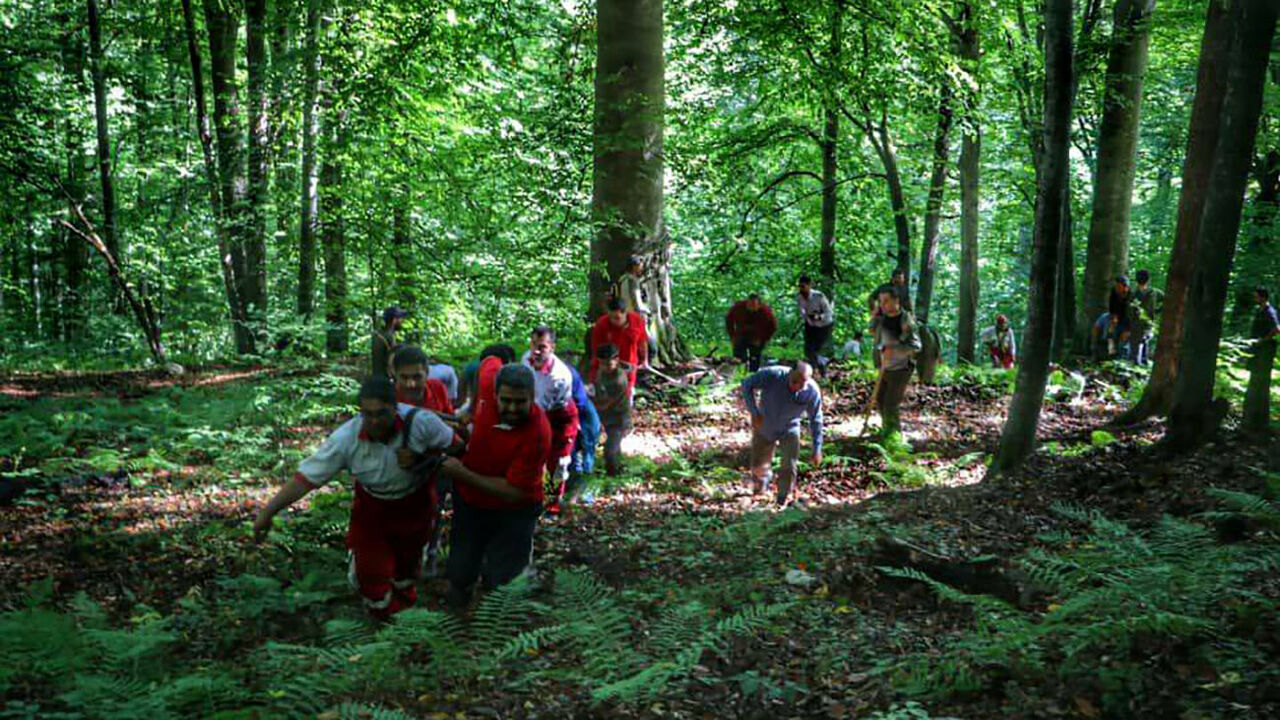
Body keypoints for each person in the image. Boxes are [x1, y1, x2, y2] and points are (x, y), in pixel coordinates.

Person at [252, 376, 459, 619]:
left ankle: (406, 618)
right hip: (372, 511)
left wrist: (423, 459)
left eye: (381, 413)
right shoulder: (347, 438)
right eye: (367, 414)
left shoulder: (422, 423)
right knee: (370, 574)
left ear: (396, 408)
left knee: (407, 570)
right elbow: (305, 479)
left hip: (416, 506)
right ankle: (385, 626)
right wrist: (268, 513)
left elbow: (456, 447)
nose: (373, 421)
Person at [439, 362, 551, 608]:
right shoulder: (489, 380)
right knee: (460, 570)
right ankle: (456, 617)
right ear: (494, 394)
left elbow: (514, 491)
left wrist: (461, 473)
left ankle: (496, 626)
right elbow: (490, 360)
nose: (512, 408)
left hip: (514, 512)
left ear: (532, 398)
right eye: (506, 400)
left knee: (503, 580)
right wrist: (469, 419)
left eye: (520, 402)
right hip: (470, 504)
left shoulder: (538, 432)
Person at [742, 362, 823, 506]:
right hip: (765, 425)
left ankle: (782, 499)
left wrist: (817, 448)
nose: (797, 386)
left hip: (790, 428)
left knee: (789, 464)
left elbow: (816, 419)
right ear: (789, 374)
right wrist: (754, 412)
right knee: (758, 465)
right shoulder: (773, 375)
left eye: (802, 384)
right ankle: (760, 490)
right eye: (794, 382)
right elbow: (747, 384)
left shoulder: (812, 391)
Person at [522, 326, 580, 514]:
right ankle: (532, 496)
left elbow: (543, 407)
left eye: (542, 347)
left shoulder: (559, 375)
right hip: (535, 410)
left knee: (558, 463)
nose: (536, 351)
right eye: (533, 345)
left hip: (560, 417)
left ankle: (553, 504)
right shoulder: (525, 360)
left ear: (552, 348)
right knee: (533, 455)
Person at [869, 285, 922, 438]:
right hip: (885, 366)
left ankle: (895, 437)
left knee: (891, 403)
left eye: (886, 301)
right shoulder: (881, 319)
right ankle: (887, 431)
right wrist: (874, 317)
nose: (883, 305)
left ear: (896, 301)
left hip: (902, 367)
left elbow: (916, 346)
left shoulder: (906, 320)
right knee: (880, 399)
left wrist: (895, 349)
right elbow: (872, 331)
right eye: (881, 301)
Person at [589, 297, 649, 390]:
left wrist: (644, 360)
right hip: (608, 367)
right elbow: (596, 352)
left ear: (624, 312)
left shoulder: (636, 321)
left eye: (617, 318)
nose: (613, 320)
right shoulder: (601, 325)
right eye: (611, 317)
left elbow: (642, 342)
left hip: (630, 366)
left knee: (627, 393)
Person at [593, 343, 634, 476]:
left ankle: (613, 476)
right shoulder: (603, 370)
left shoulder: (618, 380)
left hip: (618, 417)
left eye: (608, 364)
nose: (605, 367)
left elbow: (606, 403)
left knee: (609, 451)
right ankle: (619, 467)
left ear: (616, 361)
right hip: (607, 416)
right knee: (614, 446)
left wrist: (590, 404)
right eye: (602, 364)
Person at [1244, 287, 1280, 433]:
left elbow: (1277, 329)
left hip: (1265, 352)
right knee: (1255, 381)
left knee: (1261, 382)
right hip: (1259, 352)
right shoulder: (1260, 310)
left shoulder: (1269, 311)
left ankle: (1258, 419)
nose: (1255, 299)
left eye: (1257, 297)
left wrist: (1262, 341)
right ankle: (1253, 415)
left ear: (1263, 297)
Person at [567, 361, 600, 503]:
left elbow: (579, 403)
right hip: (569, 420)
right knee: (571, 456)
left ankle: (585, 492)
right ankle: (570, 489)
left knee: (586, 455)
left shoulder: (569, 379)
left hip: (584, 420)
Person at [616, 256, 660, 360]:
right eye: (640, 266)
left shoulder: (622, 280)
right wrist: (644, 311)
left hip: (626, 314)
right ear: (634, 266)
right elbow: (635, 300)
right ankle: (646, 363)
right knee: (648, 343)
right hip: (635, 315)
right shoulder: (631, 280)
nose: (642, 268)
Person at [393, 346, 454, 414]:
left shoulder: (437, 388)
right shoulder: (389, 398)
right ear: (395, 375)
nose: (411, 384)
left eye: (417, 377)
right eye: (404, 377)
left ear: (427, 372)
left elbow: (452, 419)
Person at [725, 293, 778, 371]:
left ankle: (753, 373)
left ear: (759, 305)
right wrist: (732, 336)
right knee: (738, 355)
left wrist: (763, 339)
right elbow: (729, 320)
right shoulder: (738, 307)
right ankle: (738, 371)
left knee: (755, 357)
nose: (750, 307)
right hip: (741, 333)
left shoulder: (766, 312)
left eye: (754, 305)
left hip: (757, 336)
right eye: (749, 304)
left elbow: (773, 327)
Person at [797, 275, 835, 374]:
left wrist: (819, 317)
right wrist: (808, 318)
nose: (801, 289)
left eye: (803, 286)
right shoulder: (799, 298)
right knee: (808, 350)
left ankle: (822, 366)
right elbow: (802, 312)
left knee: (816, 350)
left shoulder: (819, 296)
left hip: (824, 326)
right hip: (810, 326)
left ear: (809, 286)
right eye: (800, 286)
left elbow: (829, 312)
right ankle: (813, 370)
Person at [1131, 270, 1163, 365]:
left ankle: (1139, 364)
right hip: (1140, 323)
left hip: (1144, 323)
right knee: (1142, 342)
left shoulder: (1153, 292)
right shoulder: (1134, 293)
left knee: (1140, 342)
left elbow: (1165, 300)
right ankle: (1141, 364)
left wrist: (1157, 310)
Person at [371, 307, 408, 378]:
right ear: (394, 320)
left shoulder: (378, 334)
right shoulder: (389, 337)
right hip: (385, 380)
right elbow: (391, 363)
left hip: (376, 377)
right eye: (400, 318)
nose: (402, 321)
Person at [1107, 275, 1133, 359]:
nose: (1117, 288)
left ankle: (1123, 357)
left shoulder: (1132, 296)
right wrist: (1114, 318)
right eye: (1116, 286)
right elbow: (1112, 308)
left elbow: (1132, 314)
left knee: (1124, 337)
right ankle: (1111, 353)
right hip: (1117, 317)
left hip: (1129, 320)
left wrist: (1128, 328)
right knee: (1110, 333)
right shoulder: (1114, 292)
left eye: (1119, 286)